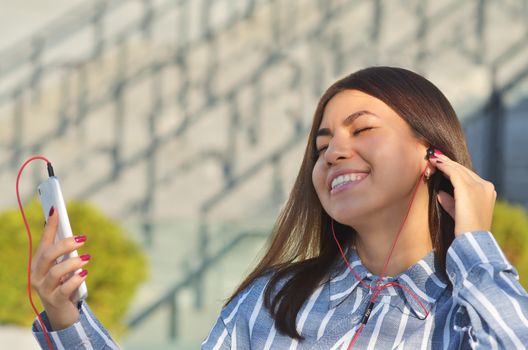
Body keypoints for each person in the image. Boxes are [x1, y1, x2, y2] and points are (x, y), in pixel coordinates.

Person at [31, 67, 528, 349]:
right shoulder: (272, 300)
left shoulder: (471, 307)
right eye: (322, 143)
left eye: (364, 130)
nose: (334, 151)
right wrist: (65, 316)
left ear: (433, 154)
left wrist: (477, 252)